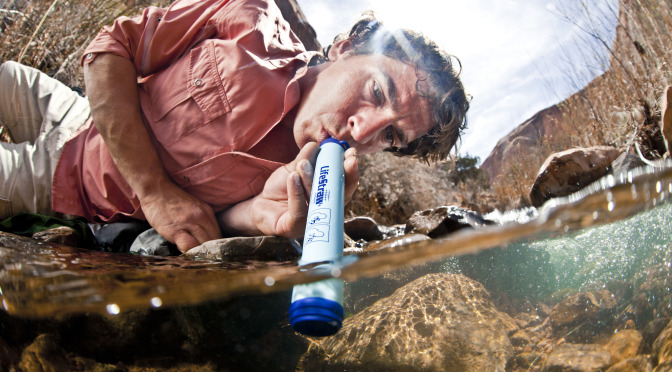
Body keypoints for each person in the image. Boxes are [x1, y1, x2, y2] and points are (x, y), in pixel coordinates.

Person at [0, 0, 469, 254]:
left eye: (391, 136)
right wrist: (154, 189)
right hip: (77, 111)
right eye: (378, 92)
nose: (362, 132)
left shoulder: (307, 185)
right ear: (344, 48)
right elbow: (111, 47)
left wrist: (265, 219)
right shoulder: (250, 17)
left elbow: (207, 227)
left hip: (63, 184)